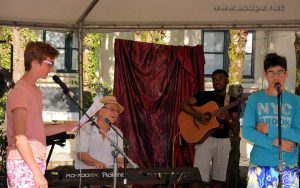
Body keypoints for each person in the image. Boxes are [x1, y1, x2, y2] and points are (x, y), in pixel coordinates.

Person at [6, 41, 78, 188]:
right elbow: (20, 138)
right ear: (35, 63)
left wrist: (65, 126)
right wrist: (37, 173)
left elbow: (36, 131)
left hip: (32, 160)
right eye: (49, 63)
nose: (52, 68)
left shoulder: (35, 91)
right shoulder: (20, 91)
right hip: (23, 161)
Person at [242, 53, 300, 187]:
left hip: (288, 164)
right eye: (271, 73)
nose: (276, 77)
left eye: (280, 72)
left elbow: (299, 134)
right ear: (265, 75)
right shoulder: (254, 99)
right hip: (260, 164)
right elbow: (247, 131)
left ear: (286, 74)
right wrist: (276, 142)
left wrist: (269, 129)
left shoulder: (296, 101)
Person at [180, 69, 239, 188]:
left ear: (227, 81)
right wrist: (198, 116)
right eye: (214, 80)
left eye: (220, 79)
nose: (217, 82)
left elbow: (233, 124)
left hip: (224, 141)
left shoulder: (232, 101)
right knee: (197, 178)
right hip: (205, 140)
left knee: (219, 180)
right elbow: (183, 104)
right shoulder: (204, 95)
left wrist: (227, 118)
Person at [75, 96, 125, 169]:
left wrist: (120, 164)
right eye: (112, 109)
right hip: (88, 177)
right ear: (100, 110)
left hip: (110, 177)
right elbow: (81, 154)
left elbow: (119, 157)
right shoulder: (86, 128)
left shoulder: (117, 132)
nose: (116, 113)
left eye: (117, 111)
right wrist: (96, 163)